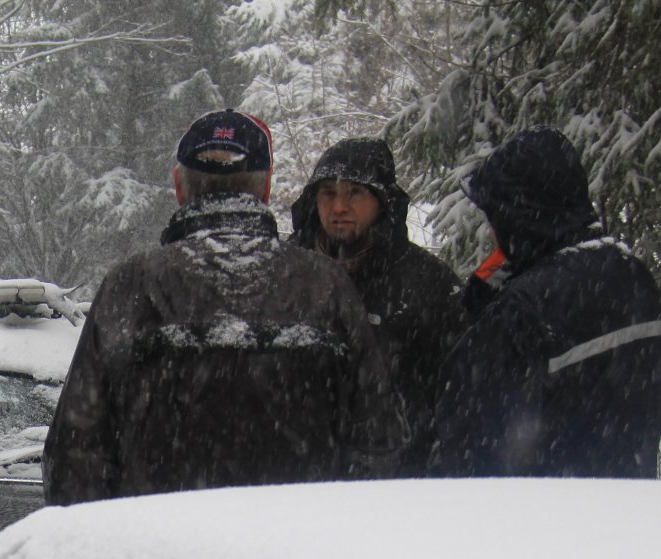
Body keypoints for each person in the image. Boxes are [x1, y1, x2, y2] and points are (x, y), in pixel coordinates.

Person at [43, 109, 397, 504]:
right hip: (296, 535)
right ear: (265, 189)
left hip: (158, 537)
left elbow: (75, 452)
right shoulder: (324, 285)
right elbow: (378, 440)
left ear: (180, 186)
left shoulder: (131, 286)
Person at [430, 125, 661, 478]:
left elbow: (465, 432)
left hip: (538, 505)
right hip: (623, 498)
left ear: (519, 212)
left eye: (495, 216)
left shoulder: (524, 308)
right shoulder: (634, 275)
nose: (491, 230)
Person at [291, 137, 466, 474]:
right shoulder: (287, 273)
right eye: (328, 193)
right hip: (298, 480)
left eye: (355, 192)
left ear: (382, 201)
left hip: (398, 482)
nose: (339, 207)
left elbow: (458, 396)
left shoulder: (427, 283)